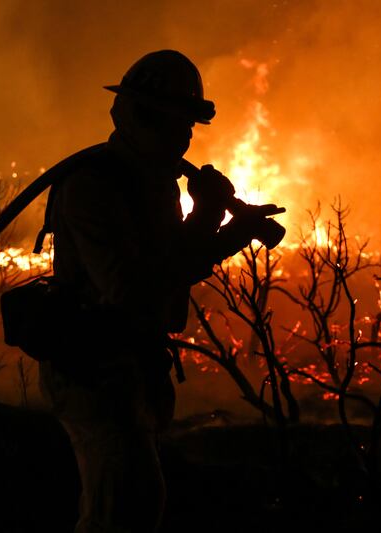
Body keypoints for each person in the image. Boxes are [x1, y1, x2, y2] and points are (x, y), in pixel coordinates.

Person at [38, 50, 280, 533]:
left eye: (189, 127)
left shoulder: (154, 184)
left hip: (128, 368)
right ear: (141, 118)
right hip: (92, 371)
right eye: (177, 125)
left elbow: (172, 262)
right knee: (119, 511)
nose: (186, 138)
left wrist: (222, 224)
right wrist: (216, 222)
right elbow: (131, 289)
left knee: (138, 503)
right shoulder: (94, 187)